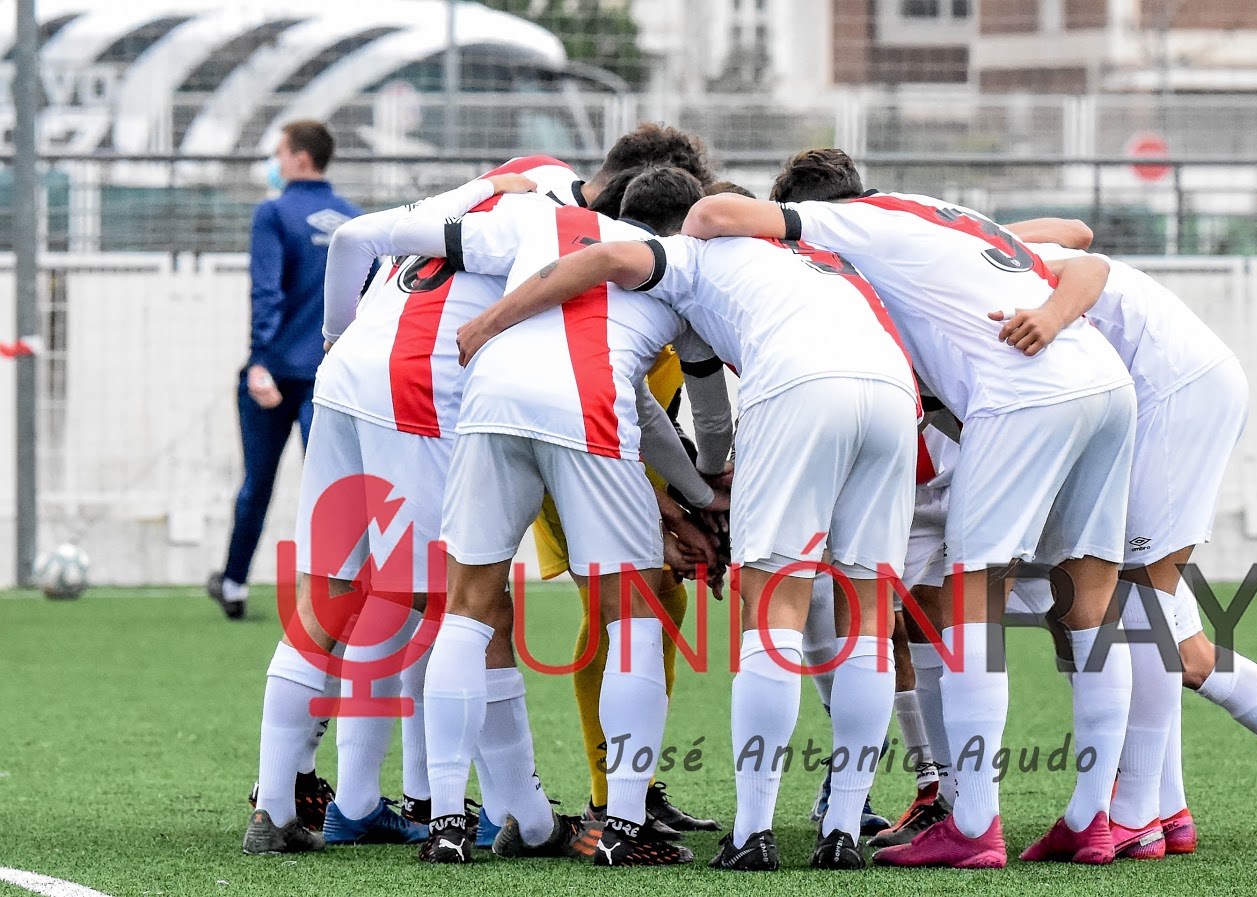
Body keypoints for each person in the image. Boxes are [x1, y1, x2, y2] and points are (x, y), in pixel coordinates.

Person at [684, 149, 1136, 869]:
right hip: (1104, 383)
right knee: (1092, 604)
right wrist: (1053, 314)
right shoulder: (934, 215)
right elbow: (1086, 256)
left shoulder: (849, 228)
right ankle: (1094, 819)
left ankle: (973, 825)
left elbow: (716, 213)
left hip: (1023, 394)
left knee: (970, 600)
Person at [458, 171, 921, 870]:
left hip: (800, 382)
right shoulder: (827, 258)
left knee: (774, 607)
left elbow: (603, 259)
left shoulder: (690, 251)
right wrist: (707, 484)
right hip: (892, 391)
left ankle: (752, 833)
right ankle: (844, 830)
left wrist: (490, 322)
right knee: (867, 616)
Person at [1001, 225, 1257, 854]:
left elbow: (1090, 260)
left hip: (1171, 394)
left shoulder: (940, 256)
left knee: (1129, 609)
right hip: (1147, 402)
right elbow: (1076, 230)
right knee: (1175, 649)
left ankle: (1138, 814)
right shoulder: (960, 239)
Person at [418, 169, 726, 866]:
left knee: (466, 610)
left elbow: (640, 407)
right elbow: (703, 413)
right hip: (586, 412)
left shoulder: (546, 228)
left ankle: (446, 823)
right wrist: (710, 486)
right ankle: (622, 825)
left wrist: (691, 495)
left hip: (490, 399)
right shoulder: (683, 264)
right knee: (634, 614)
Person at [241, 169, 547, 856]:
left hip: (344, 376)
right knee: (460, 602)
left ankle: (280, 805)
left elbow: (351, 237)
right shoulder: (541, 223)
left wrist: (334, 337)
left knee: (335, 592)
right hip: (417, 388)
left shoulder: (444, 211)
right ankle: (507, 813)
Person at [209, 120, 362, 621]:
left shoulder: (273, 213)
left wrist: (259, 359)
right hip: (332, 375)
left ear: (300, 158)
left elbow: (266, 290)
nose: (276, 164)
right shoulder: (356, 220)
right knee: (334, 487)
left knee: (257, 483)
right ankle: (340, 593)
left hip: (275, 372)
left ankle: (234, 583)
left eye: (279, 154)